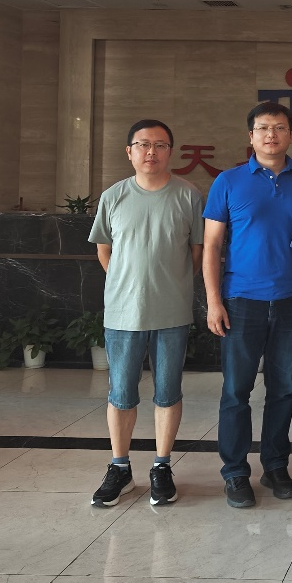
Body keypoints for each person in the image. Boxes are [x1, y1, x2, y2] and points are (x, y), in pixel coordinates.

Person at [203, 101, 292, 509]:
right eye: (263, 128)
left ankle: (275, 465)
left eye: (280, 128)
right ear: (250, 135)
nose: (272, 134)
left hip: (291, 301)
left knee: (283, 389)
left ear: (291, 135)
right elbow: (212, 245)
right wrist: (213, 301)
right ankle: (235, 472)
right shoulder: (228, 181)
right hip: (241, 302)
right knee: (236, 391)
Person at [89, 119, 204, 508]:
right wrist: (127, 283)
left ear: (171, 151)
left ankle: (161, 466)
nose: (151, 152)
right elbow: (104, 250)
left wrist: (168, 285)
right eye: (142, 144)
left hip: (172, 313)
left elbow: (196, 253)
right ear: (129, 152)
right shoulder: (114, 196)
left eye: (160, 145)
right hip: (123, 315)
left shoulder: (188, 196)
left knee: (167, 391)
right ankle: (119, 467)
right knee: (121, 393)